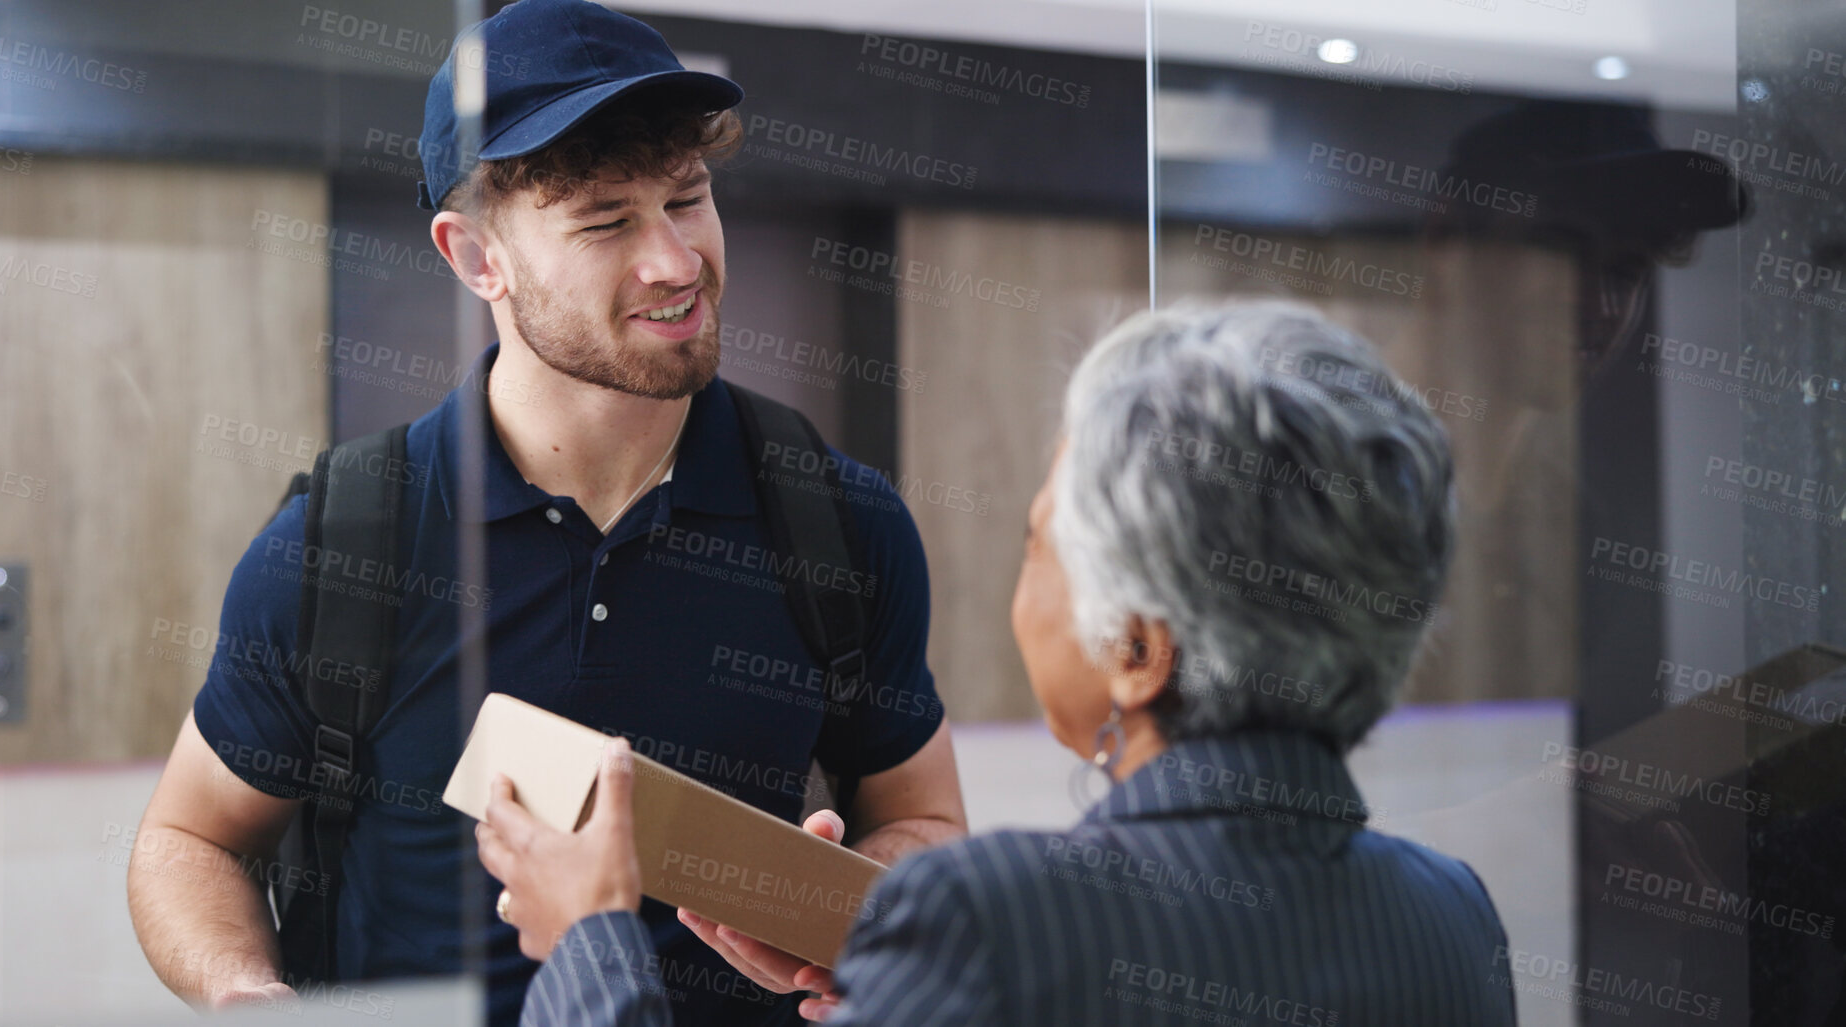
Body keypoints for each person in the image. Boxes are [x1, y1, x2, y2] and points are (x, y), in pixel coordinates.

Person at [123, 3, 965, 1025]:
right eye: (607, 222)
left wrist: (863, 919)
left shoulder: (838, 522)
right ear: (476, 256)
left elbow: (923, 819)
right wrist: (246, 992)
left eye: (688, 198)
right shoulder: (342, 543)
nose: (676, 261)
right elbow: (191, 837)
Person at [481, 300, 1522, 1025]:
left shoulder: (993, 918)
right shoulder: (1450, 915)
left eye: (1039, 542)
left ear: (1135, 650)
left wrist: (587, 940)